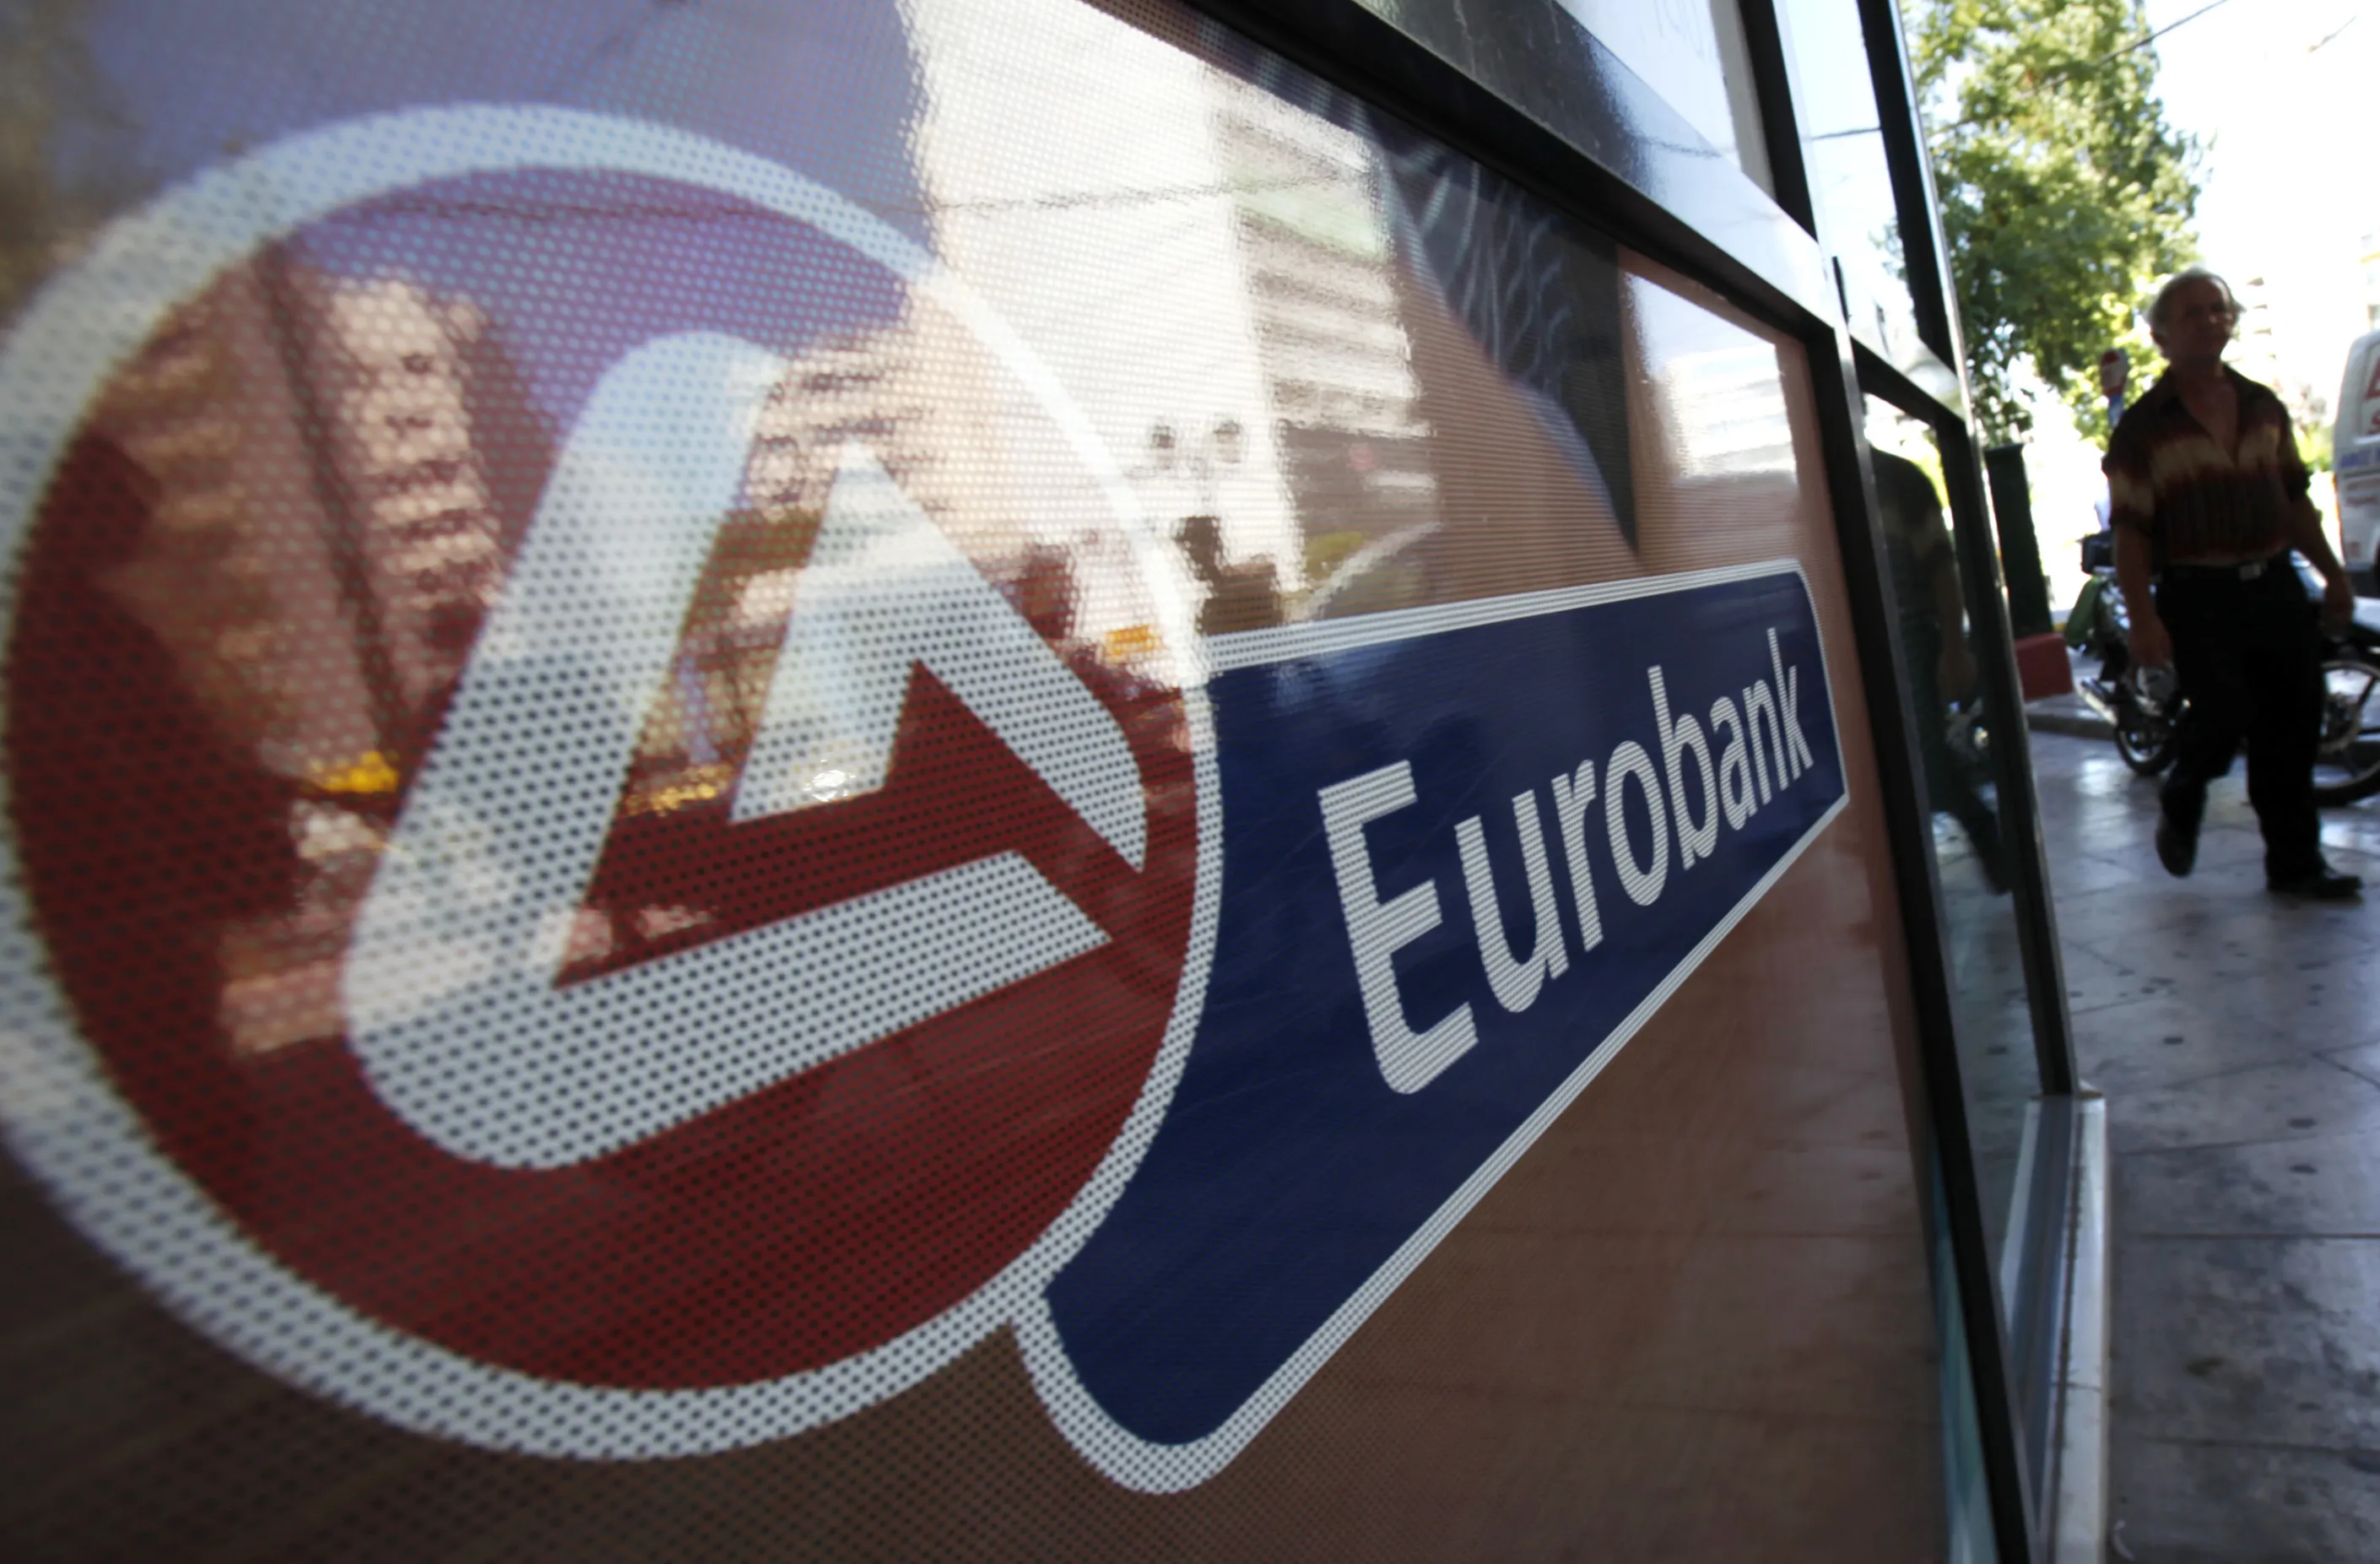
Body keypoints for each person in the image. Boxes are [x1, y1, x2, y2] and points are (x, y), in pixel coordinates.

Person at [2107, 266, 2361, 898]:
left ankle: (2296, 864)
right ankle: (2184, 789)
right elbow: (2132, 531)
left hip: (2275, 584)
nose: (2210, 320)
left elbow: (2295, 501)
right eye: (2192, 312)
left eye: (2218, 309)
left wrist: (2334, 577)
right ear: (2161, 335)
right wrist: (2143, 618)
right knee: (2224, 715)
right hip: (2198, 596)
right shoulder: (2144, 428)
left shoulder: (2261, 407)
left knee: (2293, 721)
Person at [1871, 450, 2007, 892]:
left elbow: (1943, 572)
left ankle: (1983, 832)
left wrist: (1953, 648)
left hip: (1911, 634)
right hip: (1866, 641)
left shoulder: (1900, 480)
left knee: (1926, 756)